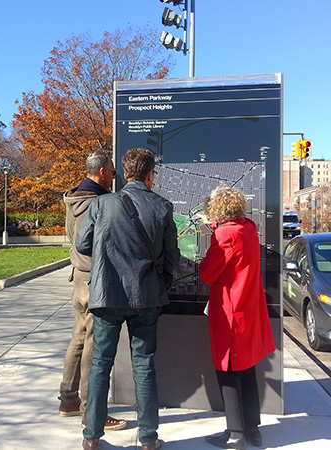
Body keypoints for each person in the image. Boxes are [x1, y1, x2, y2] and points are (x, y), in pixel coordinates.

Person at [76, 148, 180, 450]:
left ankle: (91, 436)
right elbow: (172, 256)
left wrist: (110, 254)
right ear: (150, 175)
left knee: (100, 364)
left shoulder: (102, 204)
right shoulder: (162, 206)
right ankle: (148, 438)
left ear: (124, 172)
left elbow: (84, 244)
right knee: (144, 366)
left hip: (107, 295)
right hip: (145, 297)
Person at [199, 185, 276, 450]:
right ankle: (252, 431)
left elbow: (208, 273)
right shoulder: (249, 229)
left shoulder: (225, 235)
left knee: (227, 371)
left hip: (230, 312)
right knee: (246, 370)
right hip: (248, 310)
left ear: (216, 209)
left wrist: (212, 231)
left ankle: (234, 434)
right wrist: (214, 227)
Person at [59, 151, 126, 431]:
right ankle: (91, 410)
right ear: (102, 173)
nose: (114, 176)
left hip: (78, 280)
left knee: (78, 338)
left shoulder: (73, 200)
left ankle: (68, 400)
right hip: (93, 280)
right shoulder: (97, 204)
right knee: (93, 346)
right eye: (112, 171)